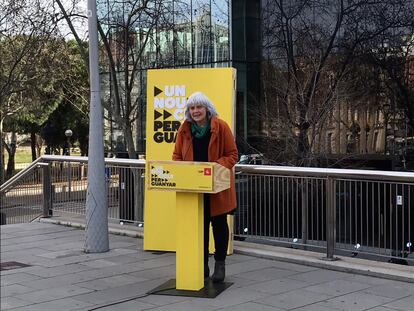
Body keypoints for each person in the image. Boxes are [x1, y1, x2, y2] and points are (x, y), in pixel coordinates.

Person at [172, 91, 238, 283]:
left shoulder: (221, 126)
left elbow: (232, 154)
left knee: (219, 226)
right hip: (193, 190)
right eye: (192, 108)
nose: (195, 111)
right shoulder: (184, 129)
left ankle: (220, 264)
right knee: (198, 228)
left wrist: (214, 168)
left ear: (207, 109)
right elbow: (176, 156)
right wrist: (182, 171)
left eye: (199, 107)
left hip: (217, 188)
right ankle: (201, 264)